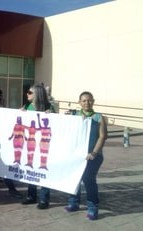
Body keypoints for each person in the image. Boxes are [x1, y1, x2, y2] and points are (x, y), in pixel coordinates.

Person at [64, 91, 107, 220]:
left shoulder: (99, 117)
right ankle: (73, 203)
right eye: (84, 100)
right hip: (77, 155)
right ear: (79, 102)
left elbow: (103, 136)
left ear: (93, 101)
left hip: (93, 156)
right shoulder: (74, 115)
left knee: (89, 180)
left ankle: (93, 208)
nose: (86, 103)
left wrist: (93, 152)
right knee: (75, 179)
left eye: (89, 100)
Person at [20, 84, 55, 209]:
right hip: (30, 143)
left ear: (37, 94)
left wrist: (52, 116)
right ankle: (31, 196)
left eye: (30, 92)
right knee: (31, 169)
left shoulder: (49, 107)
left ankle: (44, 199)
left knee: (43, 170)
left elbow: (57, 125)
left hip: (44, 144)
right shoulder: (27, 107)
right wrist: (21, 114)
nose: (27, 94)